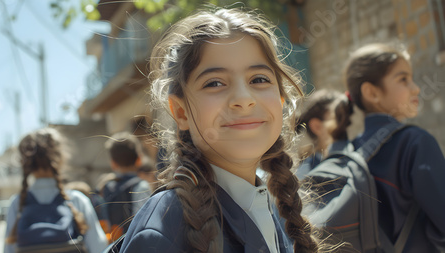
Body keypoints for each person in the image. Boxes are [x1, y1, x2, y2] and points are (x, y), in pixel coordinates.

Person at [110, 7, 322, 253]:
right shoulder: (163, 230)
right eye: (214, 83)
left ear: (281, 98)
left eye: (259, 79)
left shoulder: (271, 206)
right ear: (181, 112)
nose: (244, 99)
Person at [344, 43, 445, 252]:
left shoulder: (351, 151)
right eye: (403, 79)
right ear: (372, 92)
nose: (415, 88)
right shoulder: (415, 142)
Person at [4, 128, 108, 253]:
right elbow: (99, 248)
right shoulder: (77, 200)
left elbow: (8, 250)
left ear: (24, 163)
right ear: (60, 158)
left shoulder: (17, 205)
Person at [102, 132, 151, 241]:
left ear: (113, 163)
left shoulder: (107, 187)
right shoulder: (141, 186)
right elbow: (144, 223)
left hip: (114, 244)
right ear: (139, 160)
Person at [295, 89, 353, 179]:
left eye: (347, 116)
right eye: (339, 118)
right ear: (316, 126)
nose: (347, 122)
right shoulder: (305, 174)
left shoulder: (357, 156)